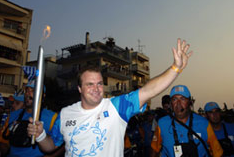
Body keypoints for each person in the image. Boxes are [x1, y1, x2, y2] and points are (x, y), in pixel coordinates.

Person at [28, 38, 192, 157]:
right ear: (79, 88)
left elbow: (149, 90)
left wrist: (175, 69)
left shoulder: (115, 107)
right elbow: (50, 147)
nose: (96, 89)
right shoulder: (65, 114)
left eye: (99, 83)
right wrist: (41, 135)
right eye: (90, 84)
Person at [151, 85, 223, 157]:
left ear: (190, 102)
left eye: (182, 99)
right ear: (171, 104)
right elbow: (154, 150)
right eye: (174, 99)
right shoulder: (162, 123)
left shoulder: (204, 123)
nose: (178, 104)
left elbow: (217, 152)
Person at [0, 80, 60, 157]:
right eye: (27, 90)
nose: (28, 93)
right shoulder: (12, 115)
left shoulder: (53, 117)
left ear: (42, 95)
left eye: (33, 90)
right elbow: (4, 142)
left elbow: (62, 144)